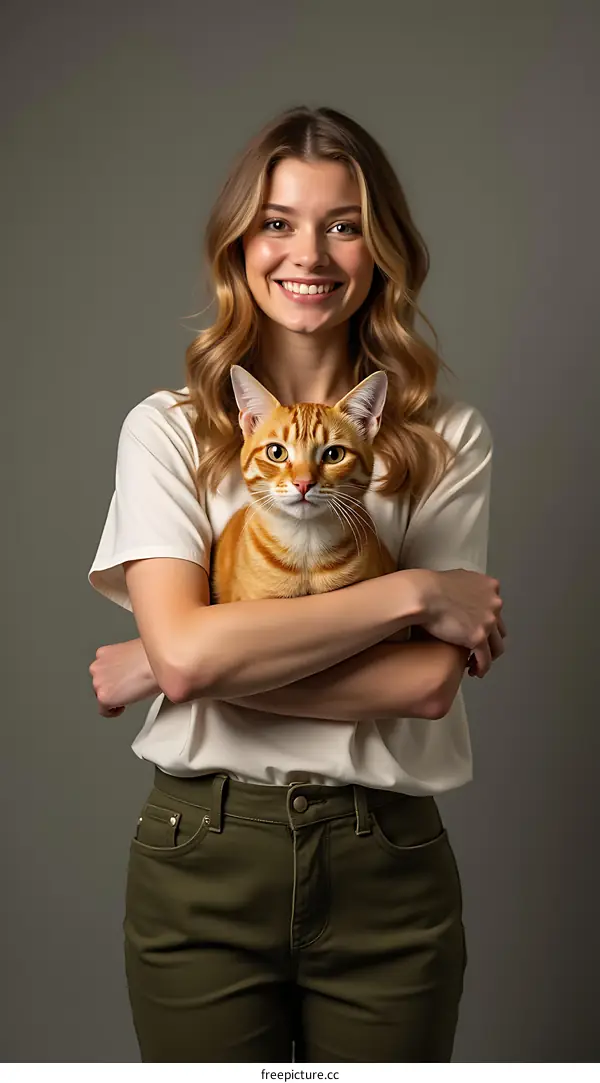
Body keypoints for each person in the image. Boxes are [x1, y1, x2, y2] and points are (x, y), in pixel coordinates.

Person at [87, 105, 506, 1063]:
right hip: (206, 847)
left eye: (343, 222)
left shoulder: (446, 436)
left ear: (381, 247)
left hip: (386, 857)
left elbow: (425, 686)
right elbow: (192, 656)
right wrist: (412, 597)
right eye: (278, 221)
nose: (307, 252)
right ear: (240, 244)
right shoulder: (169, 428)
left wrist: (162, 662)